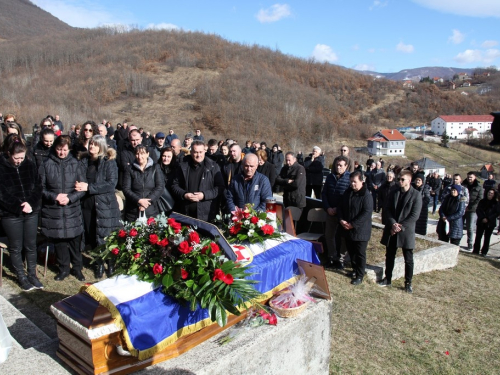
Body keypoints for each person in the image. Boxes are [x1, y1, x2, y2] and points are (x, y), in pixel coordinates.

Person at [40, 135, 86, 281]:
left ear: (69, 149)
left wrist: (70, 198)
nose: (62, 153)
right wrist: (54, 196)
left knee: (74, 241)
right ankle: (63, 269)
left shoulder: (75, 163)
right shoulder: (46, 164)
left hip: (72, 209)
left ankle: (77, 268)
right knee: (59, 241)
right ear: (55, 148)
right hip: (54, 210)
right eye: (59, 149)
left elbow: (82, 188)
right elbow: (40, 188)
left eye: (65, 150)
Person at [0, 136, 43, 290]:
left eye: (22, 157)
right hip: (11, 215)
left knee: (31, 245)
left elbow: (38, 186)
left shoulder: (30, 165)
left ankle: (32, 274)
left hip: (31, 211)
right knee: (16, 247)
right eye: (16, 158)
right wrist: (19, 206)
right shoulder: (2, 168)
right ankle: (21, 276)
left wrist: (30, 203)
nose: (19, 161)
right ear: (9, 154)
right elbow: (2, 194)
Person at [75, 135, 121, 278]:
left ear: (101, 147)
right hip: (88, 204)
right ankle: (99, 263)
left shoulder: (109, 162)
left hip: (105, 204)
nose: (91, 147)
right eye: (90, 144)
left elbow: (111, 183)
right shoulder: (83, 161)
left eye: (95, 145)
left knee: (107, 236)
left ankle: (111, 263)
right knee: (93, 234)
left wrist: (89, 187)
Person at [378, 170, 422, 293]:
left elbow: (414, 215)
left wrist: (400, 227)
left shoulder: (416, 195)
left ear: (409, 180)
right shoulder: (394, 192)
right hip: (392, 228)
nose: (400, 181)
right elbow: (387, 209)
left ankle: (408, 283)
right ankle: (388, 278)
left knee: (408, 258)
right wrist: (393, 223)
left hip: (406, 231)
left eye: (402, 179)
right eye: (399, 179)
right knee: (390, 255)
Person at [171, 141, 225, 222]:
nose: (198, 155)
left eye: (200, 152)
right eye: (196, 152)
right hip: (186, 213)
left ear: (205, 151)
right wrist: (184, 194)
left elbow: (220, 187)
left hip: (207, 215)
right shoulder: (183, 166)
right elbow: (174, 185)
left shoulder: (213, 166)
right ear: (191, 152)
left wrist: (204, 195)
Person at [338, 171, 373, 285]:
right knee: (351, 252)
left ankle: (360, 274)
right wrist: (341, 219)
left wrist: (353, 224)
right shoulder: (348, 193)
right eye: (351, 181)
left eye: (355, 182)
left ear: (362, 182)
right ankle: (354, 270)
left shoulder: (366, 195)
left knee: (360, 253)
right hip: (348, 228)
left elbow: (366, 213)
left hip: (360, 230)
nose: (352, 184)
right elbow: (341, 207)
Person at [321, 156, 351, 269]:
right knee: (329, 235)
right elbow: (324, 194)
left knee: (342, 237)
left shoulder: (349, 178)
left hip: (342, 213)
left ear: (346, 166)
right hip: (330, 212)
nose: (338, 167)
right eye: (337, 165)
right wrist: (328, 208)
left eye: (341, 165)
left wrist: (338, 209)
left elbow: (347, 197)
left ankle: (341, 259)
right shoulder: (330, 177)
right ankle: (331, 257)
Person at [122, 144, 164, 223]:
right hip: (133, 211)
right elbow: (126, 188)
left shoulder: (155, 167)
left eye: (142, 153)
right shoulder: (129, 168)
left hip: (151, 210)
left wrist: (146, 202)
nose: (139, 156)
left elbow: (160, 187)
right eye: (137, 154)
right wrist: (139, 200)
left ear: (147, 154)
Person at [473, 188, 499, 256]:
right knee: (478, 237)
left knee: (487, 238)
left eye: (491, 193)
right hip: (481, 221)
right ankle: (476, 250)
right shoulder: (482, 201)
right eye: (489, 193)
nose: (490, 194)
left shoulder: (496, 203)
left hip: (490, 223)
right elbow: (478, 210)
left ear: (494, 195)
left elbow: (496, 213)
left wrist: (488, 218)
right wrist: (482, 218)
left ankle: (484, 252)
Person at [462, 171, 482, 251]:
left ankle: (470, 243)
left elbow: (479, 199)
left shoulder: (479, 187)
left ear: (475, 177)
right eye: (468, 177)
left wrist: (470, 207)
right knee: (459, 225)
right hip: (463, 208)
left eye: (471, 177)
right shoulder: (463, 185)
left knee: (470, 227)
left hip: (472, 210)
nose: (469, 179)